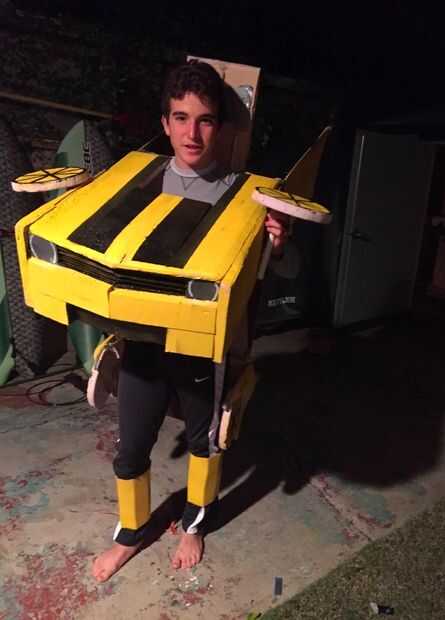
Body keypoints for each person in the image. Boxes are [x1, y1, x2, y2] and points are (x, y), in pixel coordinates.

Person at [92, 60, 288, 582]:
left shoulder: (246, 195)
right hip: (143, 338)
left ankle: (194, 524)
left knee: (206, 442)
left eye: (204, 120)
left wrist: (275, 244)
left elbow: (272, 273)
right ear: (165, 124)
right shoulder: (138, 181)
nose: (192, 133)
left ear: (218, 127)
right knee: (131, 444)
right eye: (181, 118)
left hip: (203, 344)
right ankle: (131, 534)